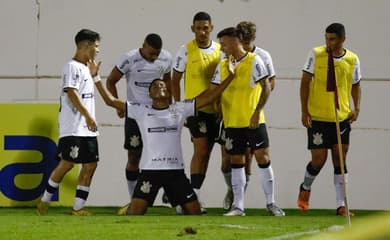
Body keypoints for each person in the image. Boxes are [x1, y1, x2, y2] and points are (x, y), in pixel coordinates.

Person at [93, 56, 237, 215]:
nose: (159, 86)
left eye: (162, 84)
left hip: (175, 171)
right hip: (150, 171)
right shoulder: (141, 110)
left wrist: (230, 76)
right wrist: (96, 77)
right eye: (154, 86)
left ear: (168, 92)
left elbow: (209, 96)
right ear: (150, 95)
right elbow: (110, 100)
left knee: (195, 213)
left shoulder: (180, 109)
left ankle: (176, 201)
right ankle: (132, 206)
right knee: (135, 214)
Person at [211, 27, 284, 217]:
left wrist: (256, 112)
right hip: (232, 122)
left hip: (254, 121)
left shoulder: (254, 60)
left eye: (224, 44)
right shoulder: (223, 65)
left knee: (263, 159)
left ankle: (271, 203)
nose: (222, 48)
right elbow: (215, 89)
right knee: (236, 161)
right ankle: (238, 206)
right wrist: (217, 105)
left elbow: (266, 87)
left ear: (236, 41)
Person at [297, 23, 361, 216]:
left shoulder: (352, 59)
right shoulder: (316, 54)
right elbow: (305, 82)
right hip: (318, 117)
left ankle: (342, 205)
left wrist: (356, 108)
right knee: (318, 160)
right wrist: (304, 111)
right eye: (326, 38)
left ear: (343, 39)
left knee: (339, 159)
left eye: (332, 39)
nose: (329, 42)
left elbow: (356, 85)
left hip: (340, 117)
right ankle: (306, 186)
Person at [36, 29, 102, 216]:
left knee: (90, 165)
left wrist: (95, 75)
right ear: (86, 45)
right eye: (96, 47)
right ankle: (44, 201)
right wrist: (88, 116)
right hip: (73, 126)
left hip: (87, 128)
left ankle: (77, 208)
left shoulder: (87, 69)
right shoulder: (71, 66)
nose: (98, 51)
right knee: (67, 163)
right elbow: (71, 93)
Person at [105, 33, 172, 209]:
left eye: (157, 54)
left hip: (158, 115)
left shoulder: (166, 58)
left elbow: (168, 82)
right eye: (151, 53)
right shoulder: (129, 59)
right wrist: (119, 106)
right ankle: (134, 198)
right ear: (143, 46)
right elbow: (111, 81)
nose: (154, 57)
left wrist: (170, 106)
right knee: (134, 156)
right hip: (135, 115)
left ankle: (172, 192)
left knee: (164, 155)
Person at [171, 11, 221, 211]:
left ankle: (195, 196)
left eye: (205, 28)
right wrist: (179, 107)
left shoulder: (219, 50)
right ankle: (191, 198)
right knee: (200, 150)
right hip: (194, 109)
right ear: (193, 29)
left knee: (207, 153)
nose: (202, 32)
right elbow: (175, 79)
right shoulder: (185, 50)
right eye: (198, 28)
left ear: (212, 28)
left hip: (215, 110)